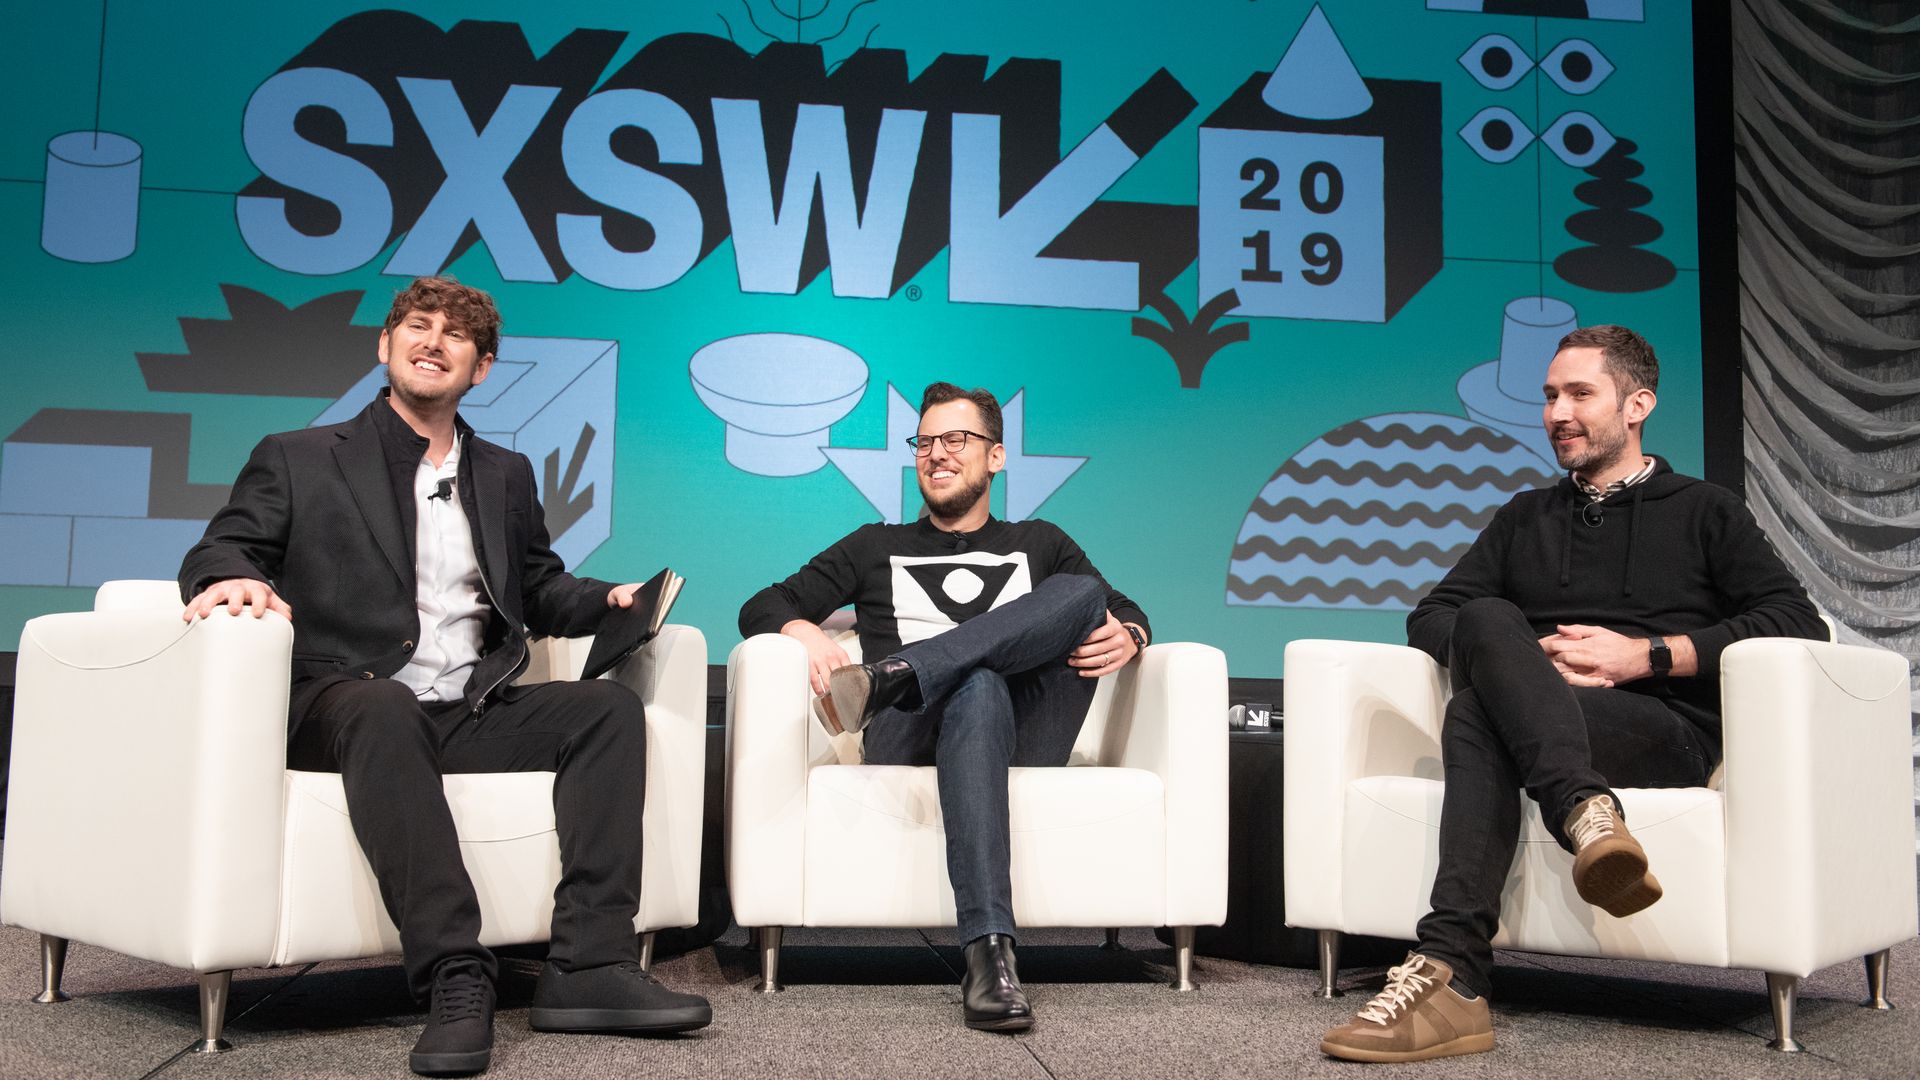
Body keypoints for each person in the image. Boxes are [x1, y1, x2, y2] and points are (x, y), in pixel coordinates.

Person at [178, 277, 710, 1077]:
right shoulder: (300, 456)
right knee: (384, 705)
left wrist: (611, 599)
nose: (433, 341)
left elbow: (537, 588)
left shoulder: (504, 472)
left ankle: (589, 966)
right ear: (385, 346)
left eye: (455, 335)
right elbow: (223, 547)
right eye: (417, 327)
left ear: (481, 368)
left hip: (464, 708)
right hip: (344, 702)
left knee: (604, 710)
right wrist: (227, 577)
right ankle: (456, 975)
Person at [1318, 325, 1826, 1063]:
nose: (1557, 412)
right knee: (1486, 632)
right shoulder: (1525, 516)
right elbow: (1430, 616)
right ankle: (1583, 820)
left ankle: (1454, 973)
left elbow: (1795, 622)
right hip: (1553, 729)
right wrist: (1523, 663)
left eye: (1579, 394)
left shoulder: (1706, 510)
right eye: (1550, 395)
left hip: (1665, 728)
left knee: (1474, 709)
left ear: (1636, 404)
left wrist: (1646, 656)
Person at [738, 382, 1151, 1032]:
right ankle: (990, 957)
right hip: (909, 732)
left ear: (995, 457)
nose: (936, 454)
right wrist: (806, 630)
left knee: (1082, 592)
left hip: (1022, 729)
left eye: (955, 439)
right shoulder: (874, 546)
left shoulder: (1039, 541)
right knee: (979, 683)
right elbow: (762, 605)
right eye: (925, 442)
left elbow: (1120, 605)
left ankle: (900, 673)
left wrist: (1132, 633)